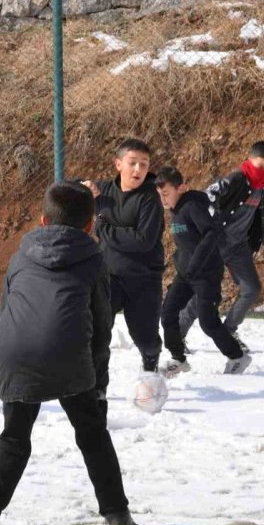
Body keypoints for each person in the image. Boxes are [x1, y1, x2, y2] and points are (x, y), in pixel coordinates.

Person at [0, 182, 142, 525]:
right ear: (91, 225)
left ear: (43, 220)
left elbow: (6, 311)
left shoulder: (20, 256)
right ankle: (119, 521)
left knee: (14, 438)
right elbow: (101, 328)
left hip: (15, 354)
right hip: (69, 355)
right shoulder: (94, 261)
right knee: (93, 435)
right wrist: (98, 388)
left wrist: (4, 356)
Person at [180, 141, 264, 352]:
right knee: (206, 293)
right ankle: (177, 333)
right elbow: (206, 197)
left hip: (238, 246)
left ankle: (229, 331)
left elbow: (260, 212)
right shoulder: (236, 179)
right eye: (261, 166)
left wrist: (261, 231)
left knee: (251, 289)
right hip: (216, 244)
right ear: (249, 160)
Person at [155, 167, 251, 377]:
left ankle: (237, 357)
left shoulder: (191, 206)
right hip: (186, 274)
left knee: (208, 322)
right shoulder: (176, 209)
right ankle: (178, 359)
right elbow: (187, 242)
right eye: (159, 195)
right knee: (168, 312)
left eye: (166, 194)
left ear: (181, 188)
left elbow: (211, 232)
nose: (163, 200)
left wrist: (196, 264)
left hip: (206, 273)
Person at [80, 138, 165, 373]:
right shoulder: (103, 191)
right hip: (109, 276)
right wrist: (84, 187)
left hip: (143, 279)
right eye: (133, 163)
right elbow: (66, 189)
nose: (138, 169)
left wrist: (102, 228)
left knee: (145, 336)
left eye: (144, 164)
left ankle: (151, 364)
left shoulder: (150, 199)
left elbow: (142, 240)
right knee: (98, 330)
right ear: (118, 164)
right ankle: (95, 380)